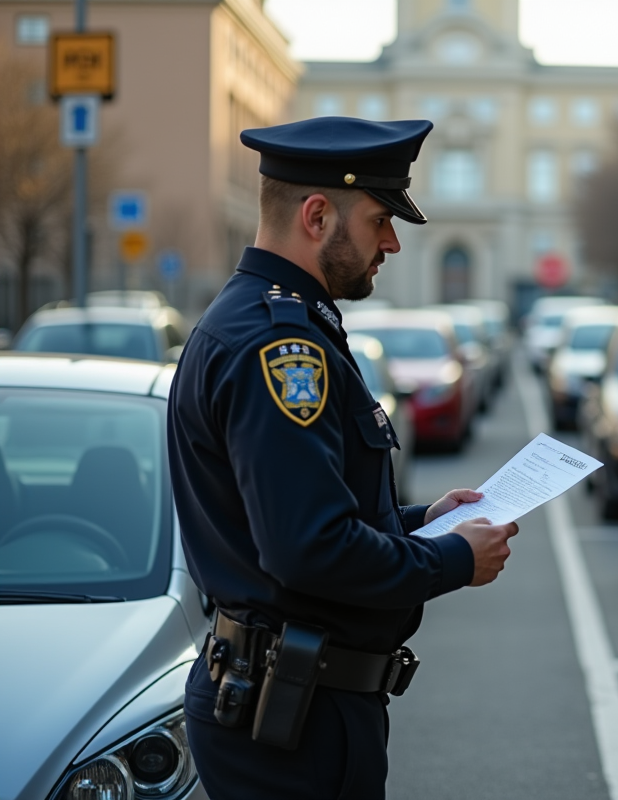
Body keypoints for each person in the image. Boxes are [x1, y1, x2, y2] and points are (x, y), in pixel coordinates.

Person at [167, 116, 519, 800]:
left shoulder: (272, 321)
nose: (391, 241)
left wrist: (424, 521)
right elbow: (310, 548)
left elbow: (309, 510)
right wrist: (454, 559)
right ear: (318, 214)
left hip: (295, 704)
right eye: (380, 219)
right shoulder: (280, 347)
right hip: (292, 720)